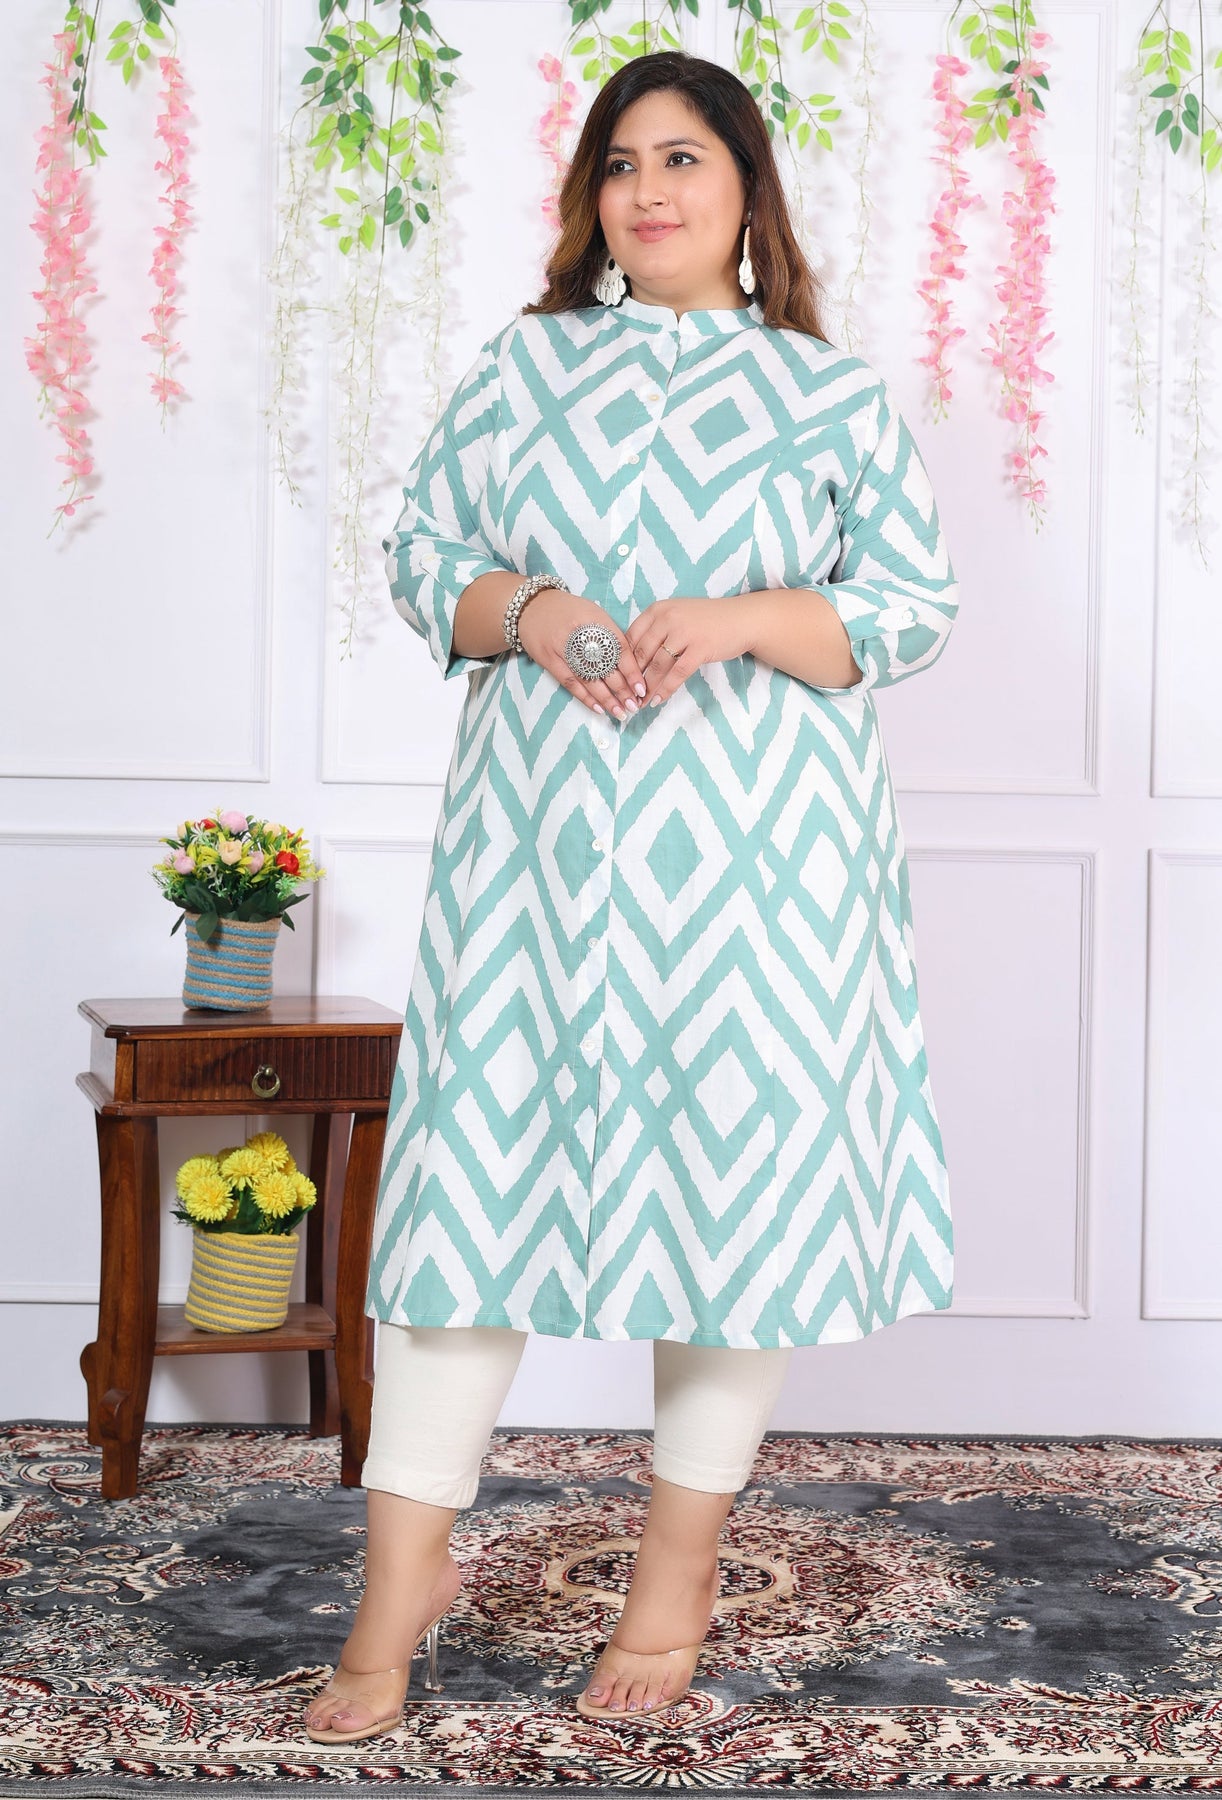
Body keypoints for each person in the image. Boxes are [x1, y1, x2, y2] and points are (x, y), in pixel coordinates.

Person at [305, 48, 958, 1745]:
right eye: (618, 163)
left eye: (681, 159)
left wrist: (737, 618)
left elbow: (907, 608)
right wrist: (532, 612)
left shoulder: (825, 392)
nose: (646, 191)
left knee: (734, 1213)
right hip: (531, 854)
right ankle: (399, 1585)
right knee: (466, 1204)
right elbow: (422, 558)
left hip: (765, 864)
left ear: (746, 191)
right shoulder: (524, 366)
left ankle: (675, 1573)